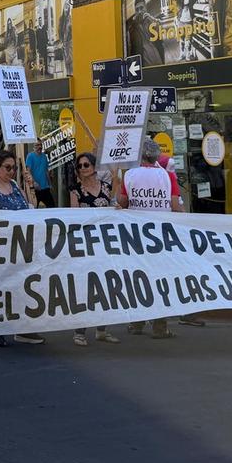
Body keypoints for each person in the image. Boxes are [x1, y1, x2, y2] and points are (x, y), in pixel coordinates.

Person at [117, 139, 185, 339]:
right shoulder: (167, 176)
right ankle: (160, 326)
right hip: (161, 237)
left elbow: (122, 203)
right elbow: (175, 206)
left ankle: (137, 322)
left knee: (139, 279)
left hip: (136, 236)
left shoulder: (129, 175)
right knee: (160, 279)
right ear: (157, 156)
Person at [0, 149, 45, 347]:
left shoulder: (16, 186)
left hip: (20, 248)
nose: (11, 171)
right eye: (7, 167)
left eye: (14, 168)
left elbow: (31, 206)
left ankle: (22, 329)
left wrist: (30, 186)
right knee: (0, 289)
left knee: (21, 287)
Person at [67, 152, 121, 345]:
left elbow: (115, 203)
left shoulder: (106, 187)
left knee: (107, 286)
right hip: (86, 245)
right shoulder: (75, 191)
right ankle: (79, 332)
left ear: (94, 167)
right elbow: (74, 217)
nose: (82, 168)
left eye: (86, 165)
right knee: (86, 287)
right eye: (79, 166)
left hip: (105, 244)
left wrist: (116, 210)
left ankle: (102, 329)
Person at [25, 141, 55, 208]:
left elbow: (46, 171)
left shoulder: (44, 156)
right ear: (33, 147)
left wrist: (50, 184)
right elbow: (28, 171)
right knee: (34, 209)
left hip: (45, 187)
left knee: (52, 207)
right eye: (37, 145)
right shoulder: (30, 156)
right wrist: (34, 182)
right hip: (35, 189)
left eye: (40, 145)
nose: (40, 147)